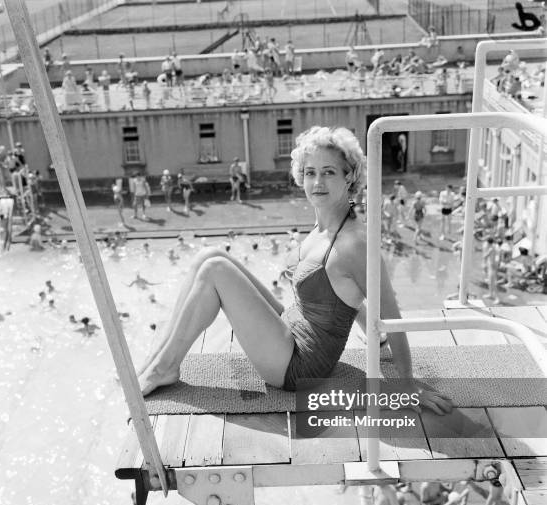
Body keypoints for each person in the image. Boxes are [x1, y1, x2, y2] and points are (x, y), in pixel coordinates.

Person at [136, 125, 453, 418]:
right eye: (310, 172)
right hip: (290, 329)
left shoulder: (356, 244)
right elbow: (345, 296)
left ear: (349, 177)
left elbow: (392, 316)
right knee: (209, 254)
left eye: (328, 172)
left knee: (216, 270)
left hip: (300, 368)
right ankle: (161, 359)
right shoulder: (322, 227)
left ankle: (165, 367)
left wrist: (408, 385)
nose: (317, 182)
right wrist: (370, 330)